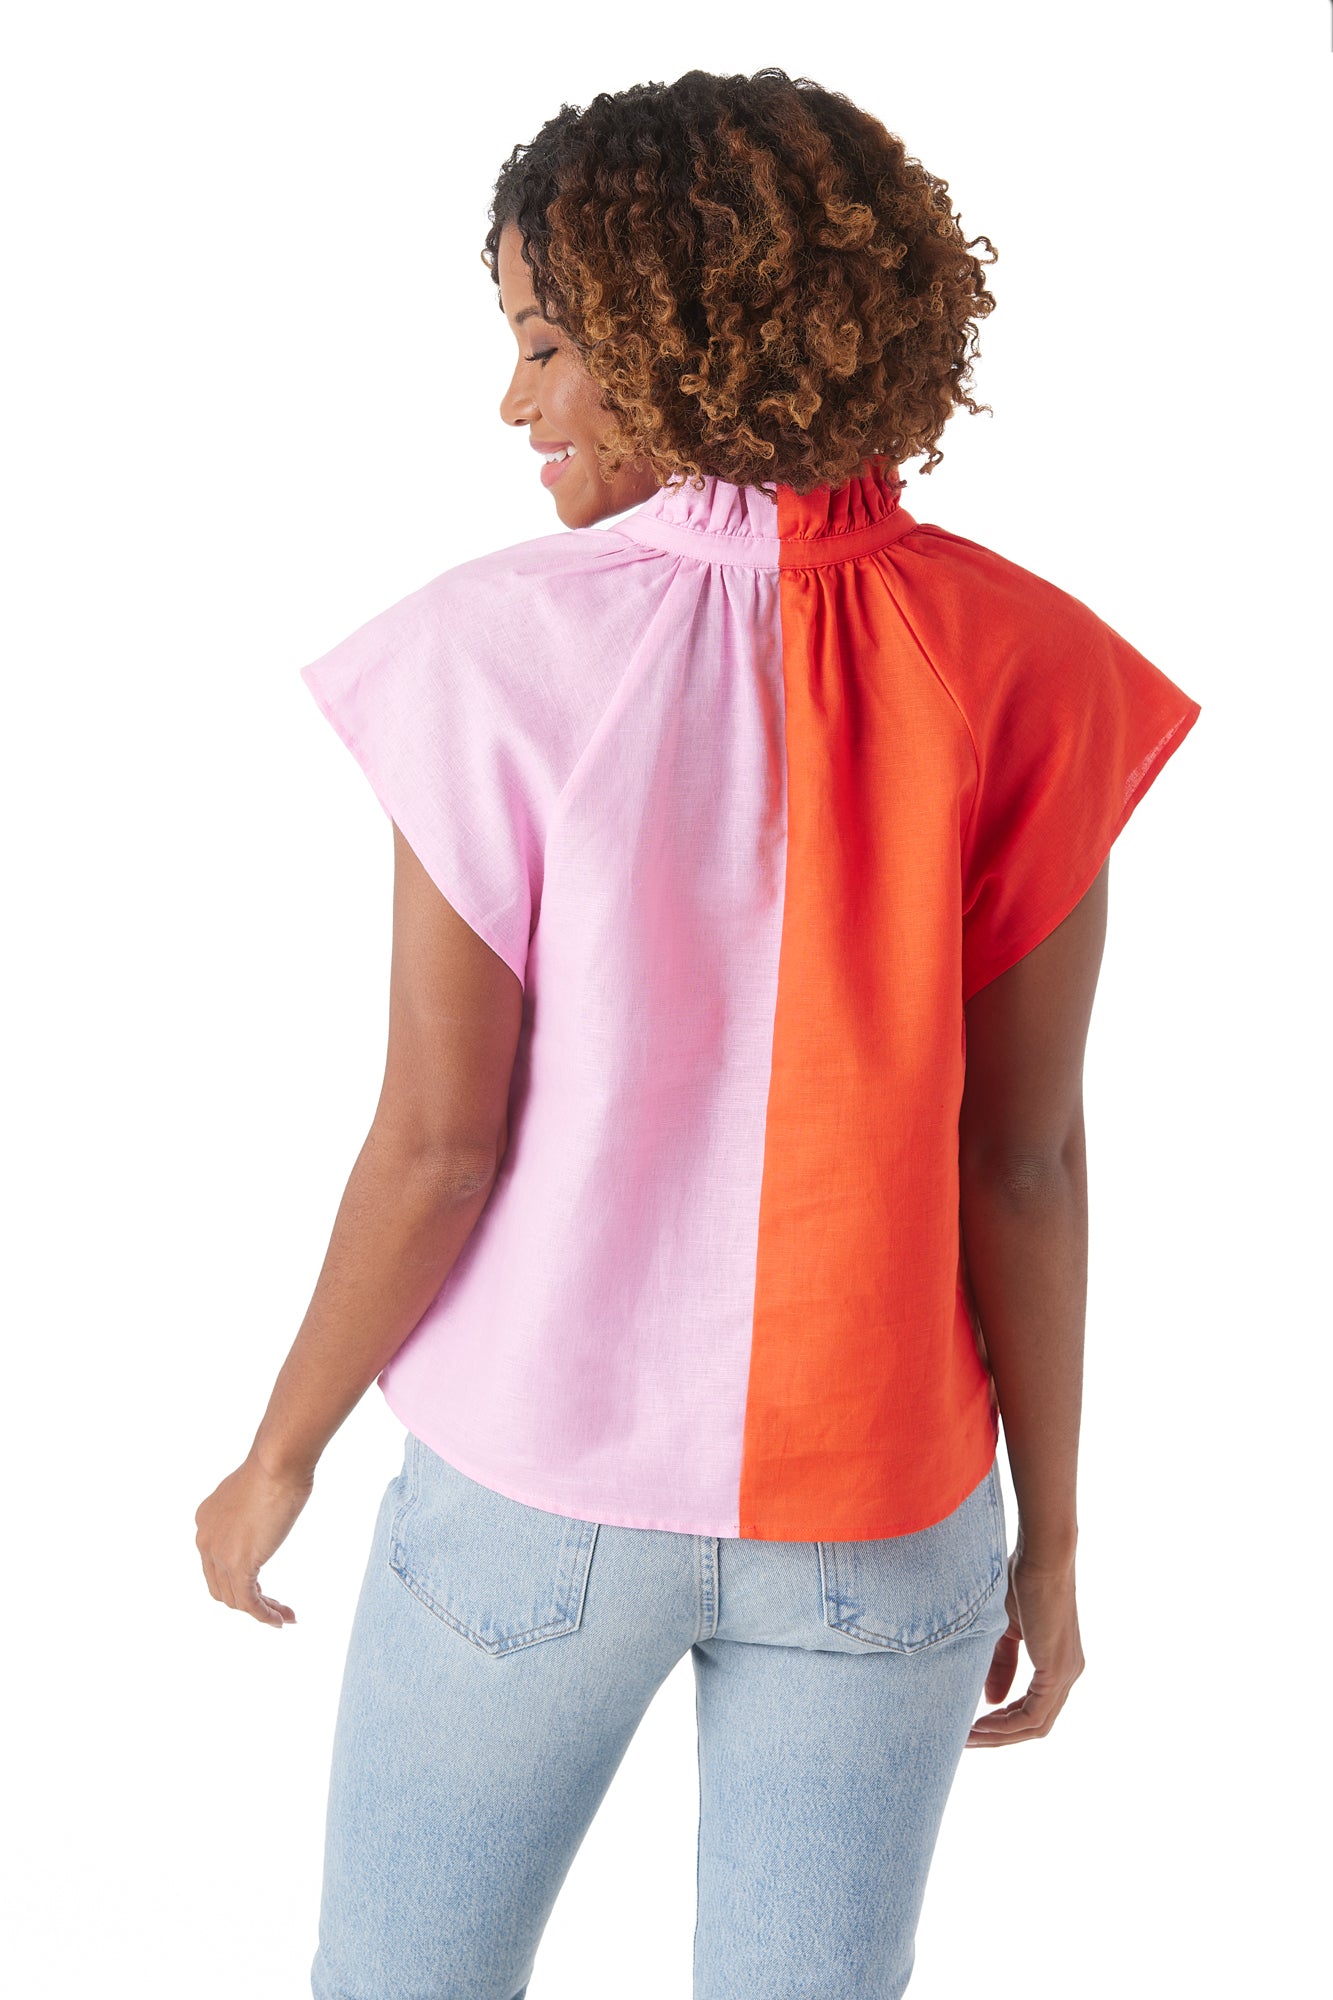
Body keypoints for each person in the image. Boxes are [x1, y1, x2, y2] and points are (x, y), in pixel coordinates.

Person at [194, 66, 1201, 2000]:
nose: (514, 407)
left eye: (546, 345)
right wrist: (1052, 1538)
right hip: (886, 1521)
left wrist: (278, 1452)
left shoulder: (489, 652)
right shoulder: (1033, 667)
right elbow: (1024, 1158)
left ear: (673, 343)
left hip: (532, 1495)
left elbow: (438, 1147)